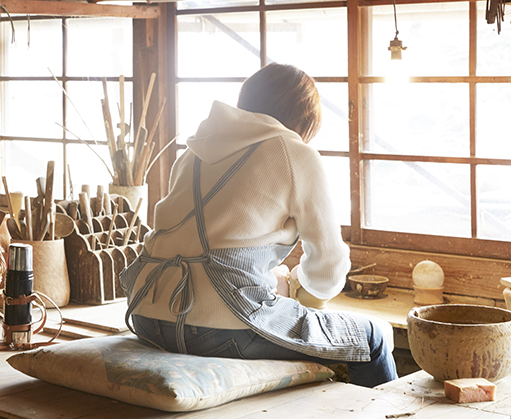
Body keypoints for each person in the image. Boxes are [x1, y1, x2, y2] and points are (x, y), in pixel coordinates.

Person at [120, 63, 397, 388]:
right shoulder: (293, 152)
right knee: (372, 338)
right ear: (304, 116)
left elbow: (200, 241)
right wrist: (301, 289)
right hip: (219, 328)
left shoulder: (192, 152)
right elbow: (329, 271)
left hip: (146, 316)